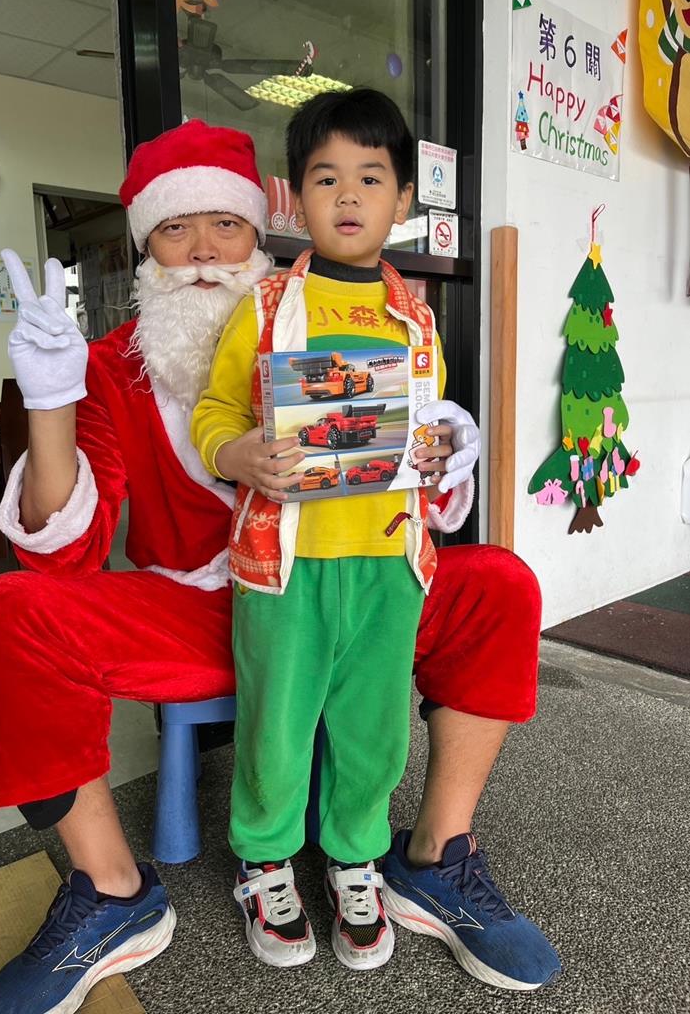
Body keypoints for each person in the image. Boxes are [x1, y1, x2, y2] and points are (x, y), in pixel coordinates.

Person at [0, 118, 557, 1013]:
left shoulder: (338, 315)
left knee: (500, 583)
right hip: (195, 606)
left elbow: (405, 481)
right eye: (175, 228)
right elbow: (65, 550)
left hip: (354, 576)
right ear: (147, 248)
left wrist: (441, 452)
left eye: (225, 225)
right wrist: (51, 402)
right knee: (6, 611)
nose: (203, 250)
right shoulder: (109, 367)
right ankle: (111, 893)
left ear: (258, 234)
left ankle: (435, 858)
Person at [192, 87, 454, 972]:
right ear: (293, 198)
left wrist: (438, 449)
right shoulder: (265, 306)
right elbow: (216, 411)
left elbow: (427, 428)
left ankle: (354, 857)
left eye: (370, 178)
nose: (347, 195)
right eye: (325, 176)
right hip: (285, 564)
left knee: (374, 727)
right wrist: (237, 454)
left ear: (403, 199)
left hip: (389, 559)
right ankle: (264, 861)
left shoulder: (416, 317)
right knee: (275, 722)